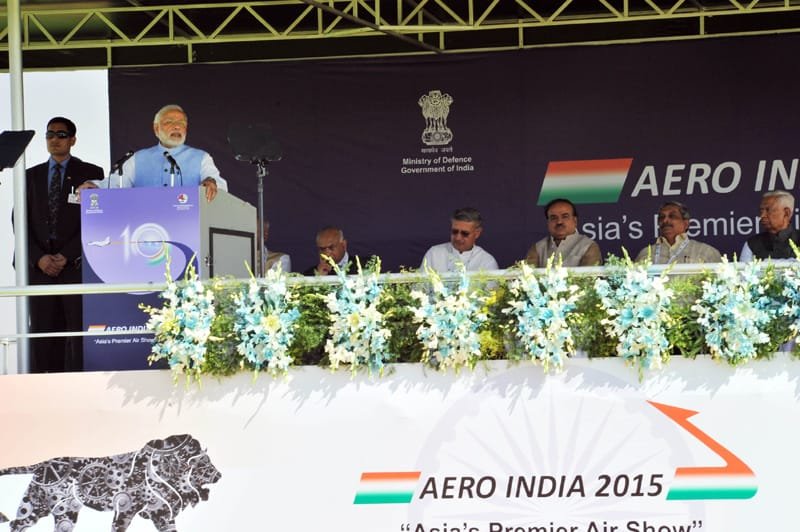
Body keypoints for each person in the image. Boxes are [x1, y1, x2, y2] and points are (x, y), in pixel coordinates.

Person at [22, 117, 104, 372]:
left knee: (77, 329)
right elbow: (20, 220)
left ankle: (77, 384)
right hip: (40, 268)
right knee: (43, 331)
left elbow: (95, 220)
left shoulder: (92, 173)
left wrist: (67, 254)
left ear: (72, 140)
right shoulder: (30, 176)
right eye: (50, 135)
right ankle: (41, 386)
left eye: (61, 134)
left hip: (75, 266)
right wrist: (39, 258)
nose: (54, 139)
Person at [87, 104, 227, 201]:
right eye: (169, 122)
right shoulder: (138, 158)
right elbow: (116, 184)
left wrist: (211, 182)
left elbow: (219, 186)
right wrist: (95, 186)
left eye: (182, 123)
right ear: (156, 129)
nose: (177, 126)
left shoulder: (201, 157)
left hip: (190, 228)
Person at [635, 201, 722, 264]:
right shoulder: (645, 254)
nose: (665, 220)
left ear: (686, 223)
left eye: (672, 216)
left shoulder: (706, 252)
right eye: (661, 217)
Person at [526, 198, 601, 267]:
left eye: (565, 216)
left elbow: (589, 279)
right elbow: (527, 278)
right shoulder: (538, 248)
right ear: (548, 223)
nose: (559, 222)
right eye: (553, 218)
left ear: (575, 221)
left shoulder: (588, 246)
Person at [421, 207, 498, 272]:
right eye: (455, 231)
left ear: (477, 233)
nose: (458, 238)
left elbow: (491, 289)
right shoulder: (434, 254)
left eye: (465, 233)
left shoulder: (487, 262)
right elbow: (419, 288)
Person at [740, 190, 800, 262]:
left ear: (786, 213)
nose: (762, 216)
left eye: (768, 210)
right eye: (761, 211)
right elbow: (743, 272)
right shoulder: (751, 244)